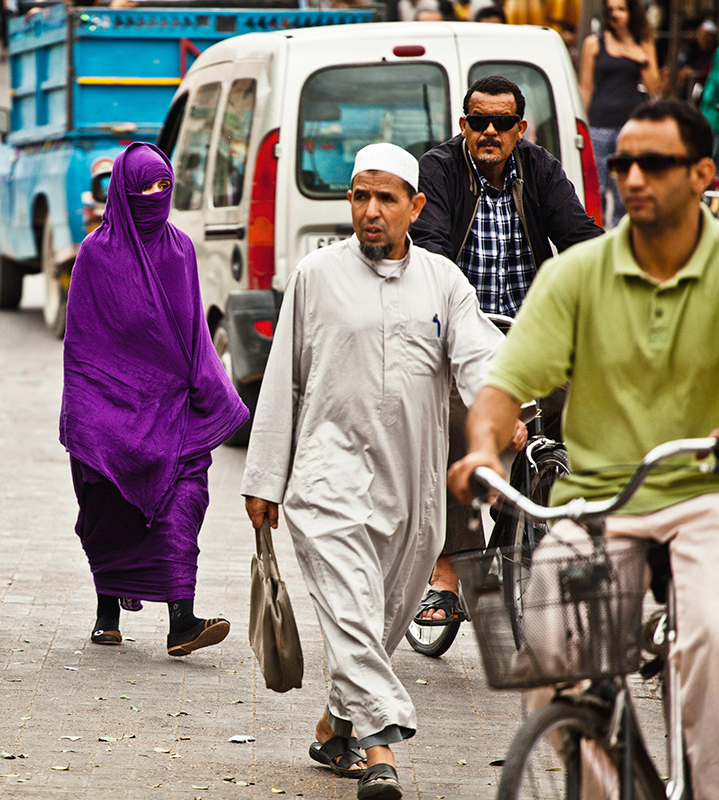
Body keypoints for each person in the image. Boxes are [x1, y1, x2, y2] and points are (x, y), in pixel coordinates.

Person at [448, 99, 719, 800]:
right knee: (547, 659)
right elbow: (504, 386)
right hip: (597, 502)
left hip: (702, 499)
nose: (633, 178)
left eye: (654, 163)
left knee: (710, 642)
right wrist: (481, 450)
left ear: (701, 175)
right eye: (623, 162)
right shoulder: (577, 275)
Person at [241, 143, 519, 800]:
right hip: (325, 482)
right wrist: (263, 480)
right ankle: (381, 747)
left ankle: (338, 725)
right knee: (352, 609)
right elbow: (283, 379)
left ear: (415, 207)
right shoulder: (316, 275)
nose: (370, 210)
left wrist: (508, 410)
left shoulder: (443, 283)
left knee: (378, 619)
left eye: (386, 198)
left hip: (412, 493)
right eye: (360, 196)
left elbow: (479, 358)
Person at [409, 74, 602, 626]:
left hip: (530, 335)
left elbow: (580, 237)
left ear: (521, 128)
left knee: (579, 409)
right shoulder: (439, 170)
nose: (489, 131)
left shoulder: (540, 168)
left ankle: (537, 530)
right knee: (455, 422)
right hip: (462, 336)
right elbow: (434, 254)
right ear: (463, 125)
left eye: (502, 123)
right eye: (478, 121)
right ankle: (448, 571)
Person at [62, 143, 248, 656]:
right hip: (110, 411)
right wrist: (89, 414)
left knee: (183, 504)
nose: (154, 196)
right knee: (110, 506)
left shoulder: (180, 249)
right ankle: (106, 610)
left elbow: (193, 332)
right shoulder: (96, 256)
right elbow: (83, 344)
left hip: (175, 409)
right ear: (122, 191)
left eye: (164, 187)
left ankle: (182, 620)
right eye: (144, 187)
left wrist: (211, 390)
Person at [579, 0, 659, 227]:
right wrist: (580, 126)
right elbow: (585, 88)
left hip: (631, 124)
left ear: (632, 12)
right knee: (596, 187)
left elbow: (653, 88)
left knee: (628, 185)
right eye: (611, 10)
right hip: (599, 124)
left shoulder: (643, 43)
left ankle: (622, 233)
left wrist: (640, 57)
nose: (615, 14)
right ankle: (596, 237)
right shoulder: (594, 43)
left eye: (621, 9)